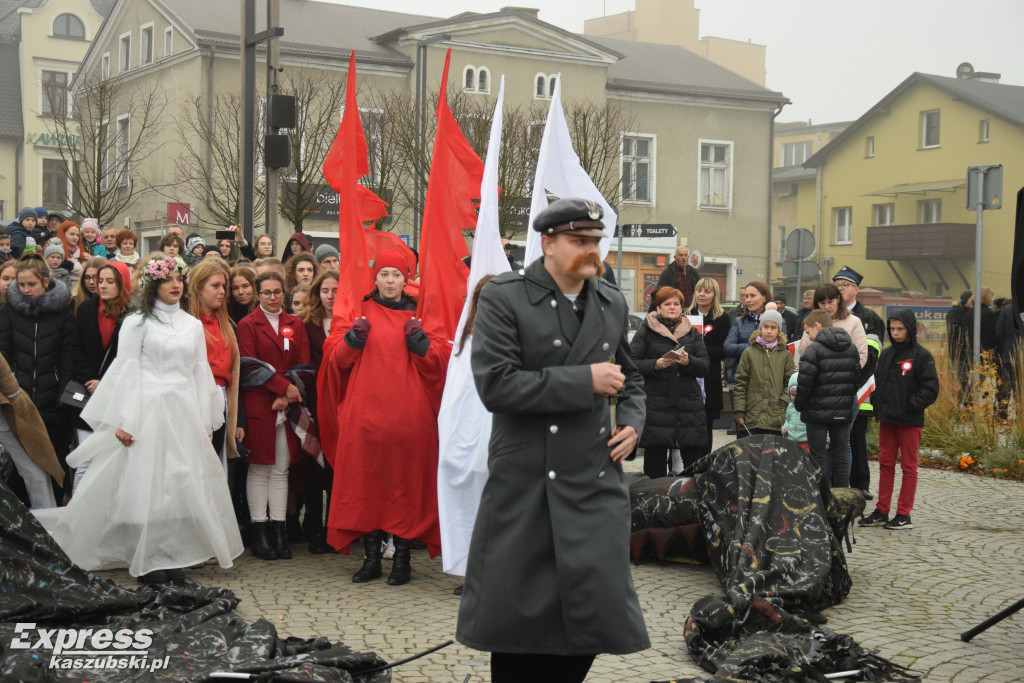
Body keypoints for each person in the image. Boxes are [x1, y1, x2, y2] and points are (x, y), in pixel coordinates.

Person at [456, 199, 648, 682]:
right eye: (579, 241)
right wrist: (583, 381)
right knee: (519, 625)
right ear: (548, 243)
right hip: (527, 483)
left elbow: (631, 378)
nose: (591, 251)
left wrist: (632, 420)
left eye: (595, 241)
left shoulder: (610, 300)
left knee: (593, 613)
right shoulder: (505, 296)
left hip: (593, 479)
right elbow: (496, 385)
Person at [33, 253, 244, 585]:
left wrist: (205, 416)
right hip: (146, 410)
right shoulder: (137, 322)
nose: (175, 285)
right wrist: (126, 419)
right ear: (154, 284)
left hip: (181, 412)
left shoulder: (191, 325)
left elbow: (198, 372)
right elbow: (126, 372)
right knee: (146, 485)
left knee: (176, 484)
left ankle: (169, 553)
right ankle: (146, 557)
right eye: (168, 279)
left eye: (179, 280)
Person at [321, 249, 447, 585]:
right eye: (384, 274)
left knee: (404, 485)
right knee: (367, 483)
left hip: (409, 416)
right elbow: (336, 361)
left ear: (407, 279)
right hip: (365, 414)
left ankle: (402, 561)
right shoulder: (357, 311)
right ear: (374, 277)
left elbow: (439, 361)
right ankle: (372, 558)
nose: (390, 281)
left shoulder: (421, 315)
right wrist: (352, 339)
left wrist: (421, 345)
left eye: (397, 275)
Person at [236, 271, 309, 562]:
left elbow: (304, 364)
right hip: (259, 403)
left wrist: (288, 391)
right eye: (266, 292)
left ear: (284, 293)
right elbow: (249, 365)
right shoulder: (247, 324)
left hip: (287, 402)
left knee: (281, 468)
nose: (272, 297)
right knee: (259, 468)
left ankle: (279, 531)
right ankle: (260, 532)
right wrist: (282, 387)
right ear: (258, 294)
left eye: (277, 291)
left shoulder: (296, 324)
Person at [0, 254, 75, 499]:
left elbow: (67, 357)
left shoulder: (64, 311)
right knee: (22, 468)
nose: (25, 290)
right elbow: (4, 351)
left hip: (53, 402)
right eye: (21, 285)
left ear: (45, 280)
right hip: (19, 402)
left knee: (55, 463)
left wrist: (62, 394)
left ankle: (53, 521)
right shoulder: (9, 310)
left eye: (31, 284)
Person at [858, 310, 939, 531]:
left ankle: (903, 513)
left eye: (900, 329)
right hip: (887, 418)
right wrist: (877, 403)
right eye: (892, 329)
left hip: (910, 421)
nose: (895, 333)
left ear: (910, 329)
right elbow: (878, 382)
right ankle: (882, 510)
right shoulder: (886, 354)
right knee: (885, 464)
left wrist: (910, 404)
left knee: (908, 466)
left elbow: (931, 388)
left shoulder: (921, 356)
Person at [630, 286, 709, 477]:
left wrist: (688, 361)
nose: (672, 307)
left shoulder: (692, 333)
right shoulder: (646, 331)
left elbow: (705, 366)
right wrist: (655, 365)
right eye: (667, 304)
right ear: (658, 308)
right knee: (655, 466)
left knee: (693, 467)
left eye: (676, 304)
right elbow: (631, 363)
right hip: (657, 404)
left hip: (688, 404)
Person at [68, 261, 132, 490]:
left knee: (113, 461)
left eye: (109, 281)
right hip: (87, 396)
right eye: (99, 280)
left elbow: (128, 358)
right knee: (86, 459)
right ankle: (76, 517)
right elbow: (76, 348)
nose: (102, 285)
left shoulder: (132, 316)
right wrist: (91, 381)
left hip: (117, 397)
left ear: (122, 283)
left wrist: (105, 383)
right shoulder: (86, 309)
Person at [793, 310, 860, 488]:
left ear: (817, 326)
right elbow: (856, 380)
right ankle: (842, 501)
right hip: (842, 412)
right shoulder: (851, 348)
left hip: (816, 413)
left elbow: (805, 383)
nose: (808, 337)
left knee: (818, 458)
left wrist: (799, 405)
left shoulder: (813, 350)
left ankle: (820, 502)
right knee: (840, 457)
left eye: (808, 332)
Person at [188, 260, 242, 471]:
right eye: (215, 285)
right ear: (197, 287)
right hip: (196, 400)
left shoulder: (228, 325)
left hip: (223, 400)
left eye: (223, 286)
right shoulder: (188, 324)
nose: (222, 291)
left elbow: (235, 375)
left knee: (214, 469)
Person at [302, 269, 339, 554]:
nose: (330, 296)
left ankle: (335, 528)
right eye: (325, 291)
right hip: (315, 399)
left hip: (342, 400)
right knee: (315, 465)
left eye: (335, 290)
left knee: (338, 469)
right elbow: (303, 362)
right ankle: (314, 528)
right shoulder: (308, 324)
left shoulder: (350, 321)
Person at [0, 354, 63, 509]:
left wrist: (12, 392)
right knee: (35, 473)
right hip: (9, 408)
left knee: (35, 471)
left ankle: (47, 521)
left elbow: (7, 380)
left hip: (8, 411)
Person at [733, 308, 794, 435]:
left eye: (773, 327)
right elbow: (741, 383)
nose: (769, 331)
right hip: (752, 415)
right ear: (760, 328)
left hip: (776, 416)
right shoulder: (749, 352)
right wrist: (739, 410)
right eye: (766, 326)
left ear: (779, 331)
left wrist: (782, 402)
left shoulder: (785, 355)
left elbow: (790, 383)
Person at [687, 277, 732, 447]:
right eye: (699, 290)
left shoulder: (722, 318)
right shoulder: (686, 315)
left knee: (706, 426)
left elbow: (723, 350)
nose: (702, 294)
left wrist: (699, 350)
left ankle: (705, 465)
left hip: (710, 378)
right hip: (689, 378)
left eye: (707, 291)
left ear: (715, 295)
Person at [796, 283, 868, 367]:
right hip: (818, 375)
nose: (827, 307)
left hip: (844, 376)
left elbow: (861, 355)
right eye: (822, 303)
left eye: (830, 302)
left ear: (838, 299)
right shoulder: (812, 321)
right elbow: (802, 352)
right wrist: (813, 332)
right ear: (817, 304)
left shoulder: (854, 322)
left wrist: (843, 374)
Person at [833, 265, 885, 340]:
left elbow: (873, 348)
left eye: (845, 285)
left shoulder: (870, 317)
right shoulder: (828, 314)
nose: (840, 288)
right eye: (837, 285)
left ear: (856, 290)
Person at [995, 300, 1023, 418]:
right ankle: (1021, 415)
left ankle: (1002, 414)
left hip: (1008, 355)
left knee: (1004, 386)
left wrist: (1003, 349)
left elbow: (999, 332)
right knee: (1021, 389)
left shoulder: (1007, 310)